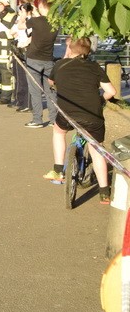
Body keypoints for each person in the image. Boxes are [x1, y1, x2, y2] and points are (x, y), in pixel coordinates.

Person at [42, 37, 117, 204]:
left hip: (68, 113)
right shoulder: (94, 67)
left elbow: (50, 82)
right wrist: (101, 100)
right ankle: (104, 192)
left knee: (58, 131)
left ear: (70, 48)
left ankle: (58, 170)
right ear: (88, 51)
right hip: (92, 115)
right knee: (96, 148)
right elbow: (111, 91)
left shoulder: (60, 65)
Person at [22, 0, 58, 128]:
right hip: (48, 59)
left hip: (33, 59)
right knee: (50, 91)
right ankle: (53, 119)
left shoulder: (35, 21)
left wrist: (26, 13)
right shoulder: (56, 23)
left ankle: (37, 119)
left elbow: (21, 25)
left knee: (35, 90)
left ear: (42, 7)